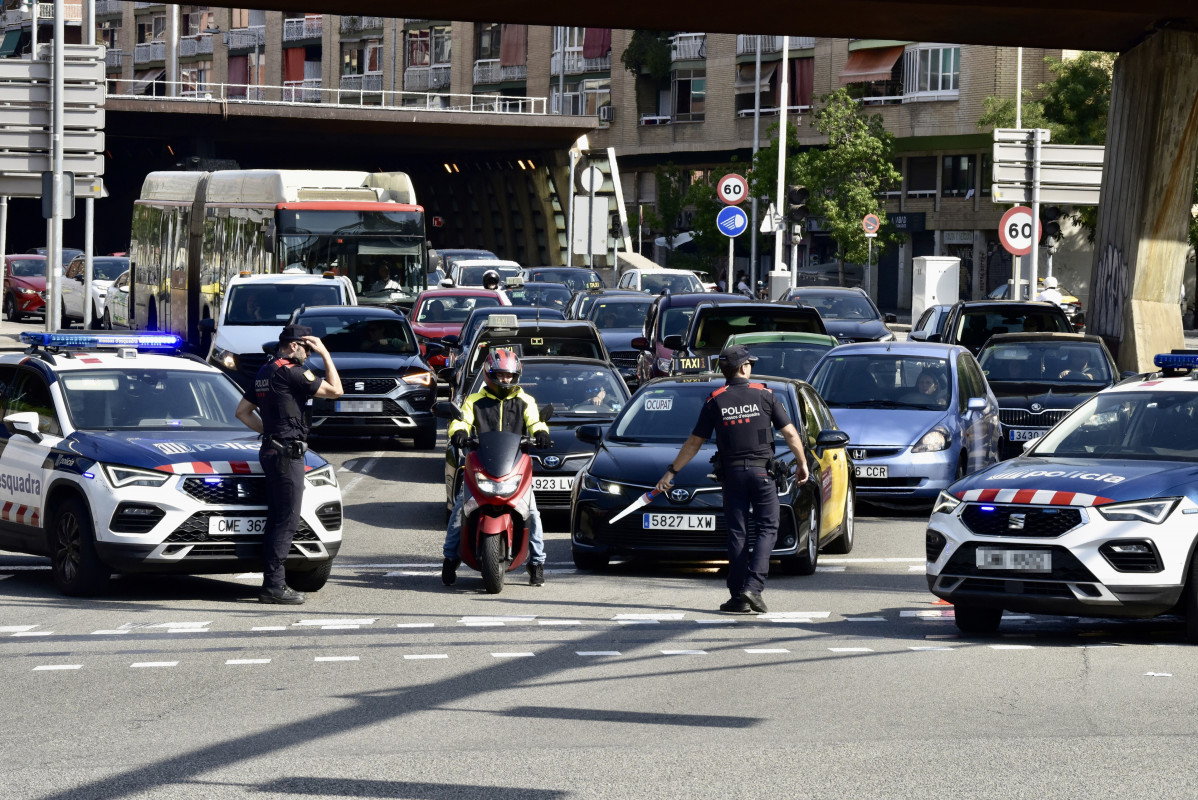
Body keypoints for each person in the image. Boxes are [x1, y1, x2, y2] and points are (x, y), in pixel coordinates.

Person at [655, 345, 811, 614]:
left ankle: (738, 595)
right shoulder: (765, 395)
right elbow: (790, 434)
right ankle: (753, 587)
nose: (751, 366)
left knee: (738, 534)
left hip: (732, 475)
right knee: (767, 528)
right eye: (749, 363)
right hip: (763, 473)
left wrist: (672, 472)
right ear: (743, 368)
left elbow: (693, 443)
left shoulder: (715, 399)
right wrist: (802, 463)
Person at [235, 325, 343, 605]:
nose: (309, 355)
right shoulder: (293, 372)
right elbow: (336, 391)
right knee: (286, 521)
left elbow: (242, 412)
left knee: (277, 519)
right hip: (286, 455)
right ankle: (274, 586)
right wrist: (326, 353)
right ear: (294, 346)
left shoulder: (265, 371)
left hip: (271, 450)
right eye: (308, 349)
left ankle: (273, 581)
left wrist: (268, 433)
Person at [443, 348, 553, 587]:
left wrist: (541, 433)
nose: (505, 380)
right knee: (459, 511)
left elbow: (535, 421)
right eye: (501, 375)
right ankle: (450, 557)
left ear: (516, 376)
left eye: (510, 376)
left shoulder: (526, 401)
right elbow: (460, 419)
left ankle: (536, 562)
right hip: (481, 467)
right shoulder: (475, 401)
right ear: (488, 373)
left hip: (513, 468)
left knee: (532, 513)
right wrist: (459, 432)